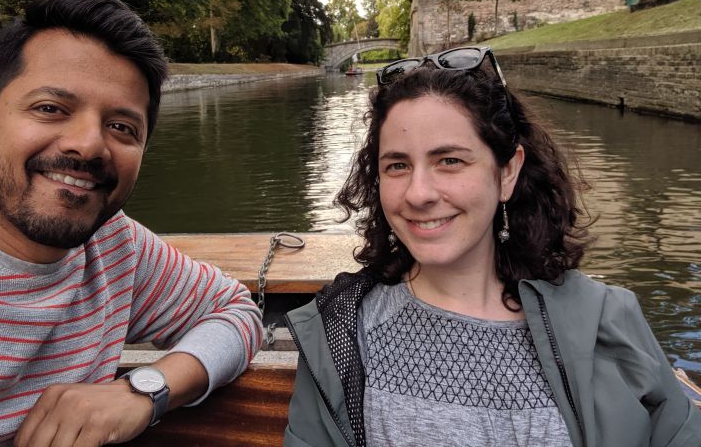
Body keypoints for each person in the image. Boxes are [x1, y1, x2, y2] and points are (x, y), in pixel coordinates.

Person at [283, 47, 701, 447]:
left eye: (450, 161)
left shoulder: (605, 320)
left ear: (507, 172)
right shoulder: (338, 332)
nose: (419, 193)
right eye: (397, 165)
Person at [0, 0, 262, 446]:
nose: (89, 145)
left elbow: (235, 312)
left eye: (121, 128)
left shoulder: (115, 246)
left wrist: (143, 390)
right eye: (50, 109)